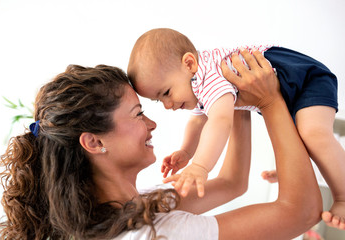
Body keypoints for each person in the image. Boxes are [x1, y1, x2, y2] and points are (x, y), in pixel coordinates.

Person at [0, 53, 322, 240]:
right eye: (138, 114)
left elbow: (233, 183)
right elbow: (300, 212)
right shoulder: (155, 233)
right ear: (94, 142)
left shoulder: (132, 210)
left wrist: (228, 95)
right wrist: (270, 100)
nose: (152, 124)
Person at [127, 28, 345, 230]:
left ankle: (343, 197)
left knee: (313, 135)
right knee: (299, 137)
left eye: (166, 92)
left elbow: (221, 121)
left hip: (304, 78)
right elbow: (197, 121)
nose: (167, 105)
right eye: (158, 100)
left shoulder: (209, 78)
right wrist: (186, 151)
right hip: (289, 91)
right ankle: (306, 169)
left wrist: (201, 166)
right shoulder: (196, 84)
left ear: (190, 63)